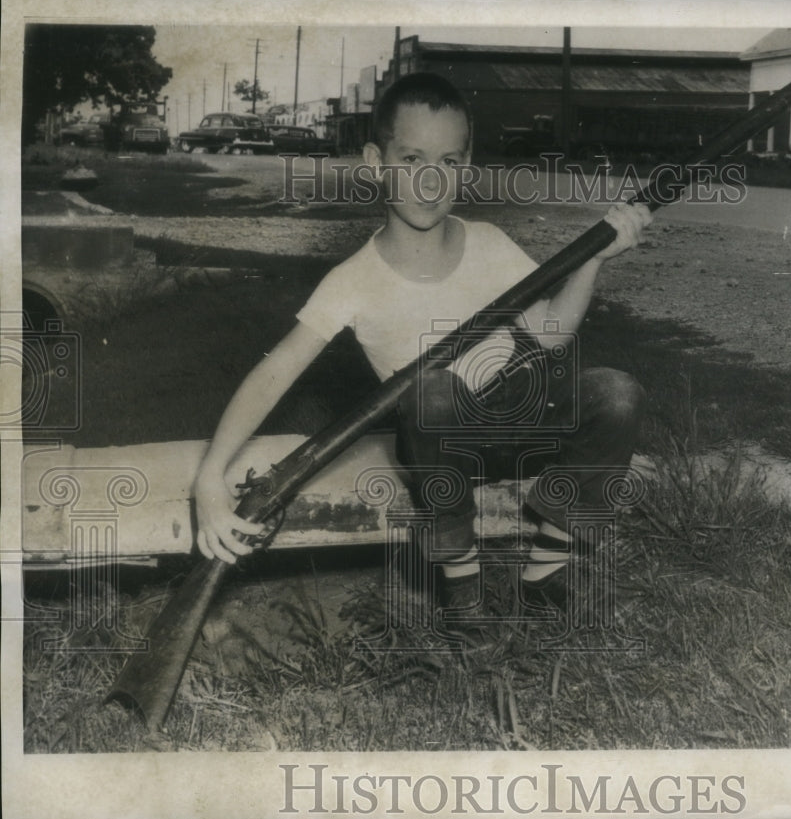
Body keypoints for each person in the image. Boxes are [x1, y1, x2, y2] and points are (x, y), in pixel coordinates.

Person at [194, 72, 652, 621]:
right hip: (440, 451)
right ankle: (463, 585)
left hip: (520, 423)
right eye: (412, 161)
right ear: (374, 162)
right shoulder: (353, 279)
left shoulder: (488, 243)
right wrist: (210, 475)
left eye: (449, 162)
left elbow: (553, 330)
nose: (431, 182)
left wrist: (594, 260)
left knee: (617, 394)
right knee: (429, 387)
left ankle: (545, 569)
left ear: (467, 164)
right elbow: (275, 372)